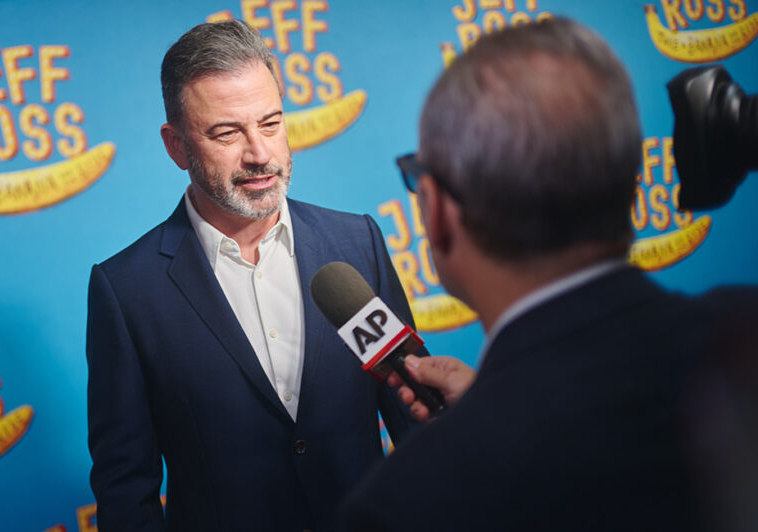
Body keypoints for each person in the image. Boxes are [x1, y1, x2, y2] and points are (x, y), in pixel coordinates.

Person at [341, 17, 755, 530]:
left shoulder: (407, 504)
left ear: (439, 212)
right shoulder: (742, 346)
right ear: (630, 185)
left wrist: (497, 419)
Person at [86, 19, 416, 531]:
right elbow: (125, 483)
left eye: (270, 123)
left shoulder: (357, 245)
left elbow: (413, 410)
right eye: (227, 132)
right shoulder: (126, 290)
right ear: (176, 146)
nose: (260, 153)